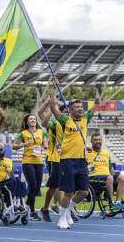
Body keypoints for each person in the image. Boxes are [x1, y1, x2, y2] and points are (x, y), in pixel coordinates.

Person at [50, 92, 96, 229]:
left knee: (84, 192)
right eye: (76, 107)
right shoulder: (65, 120)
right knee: (69, 192)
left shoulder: (86, 119)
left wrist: (99, 99)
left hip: (82, 161)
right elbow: (53, 107)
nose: (80, 109)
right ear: (71, 110)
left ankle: (67, 211)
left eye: (81, 107)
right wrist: (53, 88)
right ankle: (62, 219)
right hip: (67, 161)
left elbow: (96, 106)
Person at [13, 113, 48, 221]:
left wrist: (46, 145)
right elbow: (14, 146)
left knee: (37, 187)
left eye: (34, 119)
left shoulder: (41, 132)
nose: (33, 120)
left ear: (36, 121)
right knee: (32, 184)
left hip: (39, 161)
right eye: (30, 119)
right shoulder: (22, 133)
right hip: (27, 161)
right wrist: (24, 144)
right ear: (27, 122)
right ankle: (32, 211)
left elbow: (45, 143)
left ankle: (27, 204)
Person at [37, 98, 63, 221]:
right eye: (56, 106)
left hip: (67, 157)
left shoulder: (68, 122)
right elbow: (41, 116)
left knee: (65, 184)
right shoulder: (53, 122)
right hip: (54, 157)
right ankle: (47, 208)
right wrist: (49, 103)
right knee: (55, 185)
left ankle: (58, 205)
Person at [87, 133, 124, 210]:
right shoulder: (87, 153)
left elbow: (110, 167)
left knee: (121, 177)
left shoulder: (106, 154)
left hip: (107, 177)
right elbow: (86, 168)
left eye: (99, 140)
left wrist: (115, 177)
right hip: (93, 178)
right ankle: (110, 203)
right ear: (91, 141)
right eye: (95, 140)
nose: (98, 141)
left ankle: (117, 203)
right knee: (110, 178)